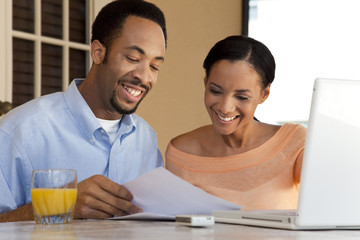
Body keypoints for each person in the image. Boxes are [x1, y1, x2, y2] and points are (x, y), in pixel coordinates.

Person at [0, 0, 167, 222]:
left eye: (155, 66)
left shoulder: (146, 140)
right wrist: (60, 204)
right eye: (133, 58)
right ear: (98, 53)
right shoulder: (19, 131)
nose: (144, 77)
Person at [165, 35, 306, 210]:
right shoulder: (181, 153)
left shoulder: (295, 143)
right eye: (215, 91)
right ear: (205, 83)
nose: (225, 108)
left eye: (242, 97)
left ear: (264, 94)